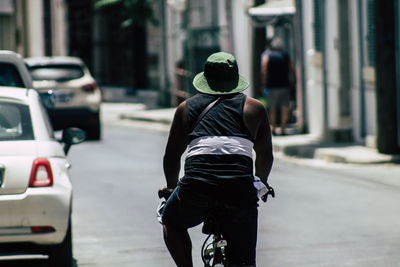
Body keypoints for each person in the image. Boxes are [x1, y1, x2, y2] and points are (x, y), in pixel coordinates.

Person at [158, 52, 274, 267]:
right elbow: (265, 154)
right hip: (239, 189)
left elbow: (172, 155)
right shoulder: (254, 108)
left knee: (171, 220)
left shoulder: (186, 108)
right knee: (244, 262)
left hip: (196, 187)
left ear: (206, 79)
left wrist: (171, 188)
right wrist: (261, 182)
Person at [261, 37, 296, 135]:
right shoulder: (285, 56)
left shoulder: (268, 56)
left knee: (272, 107)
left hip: (272, 85)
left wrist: (264, 84)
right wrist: (292, 82)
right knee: (285, 107)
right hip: (284, 85)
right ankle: (283, 128)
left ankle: (273, 127)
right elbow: (292, 70)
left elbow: (264, 69)